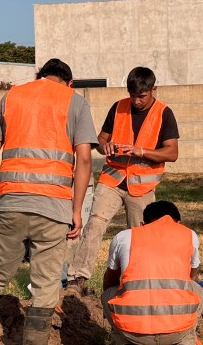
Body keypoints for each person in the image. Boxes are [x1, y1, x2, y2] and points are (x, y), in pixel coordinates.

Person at [0, 58, 98, 345]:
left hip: (9, 203)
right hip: (54, 209)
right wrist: (76, 211)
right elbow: (85, 160)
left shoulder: (12, 97)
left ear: (39, 77)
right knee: (46, 282)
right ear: (69, 82)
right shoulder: (76, 102)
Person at [65, 67, 179, 295]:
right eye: (132, 95)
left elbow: (171, 153)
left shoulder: (164, 113)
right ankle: (76, 279)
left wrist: (141, 151)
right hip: (112, 179)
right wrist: (102, 145)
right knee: (95, 224)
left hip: (142, 186)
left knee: (140, 235)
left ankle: (139, 281)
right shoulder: (118, 107)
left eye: (142, 96)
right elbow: (100, 139)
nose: (136, 101)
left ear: (153, 89)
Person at [101, 200, 203, 345]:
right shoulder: (189, 235)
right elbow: (192, 277)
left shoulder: (123, 237)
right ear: (178, 223)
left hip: (132, 332)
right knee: (197, 289)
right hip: (177, 330)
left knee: (107, 293)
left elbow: (110, 280)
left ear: (143, 224)